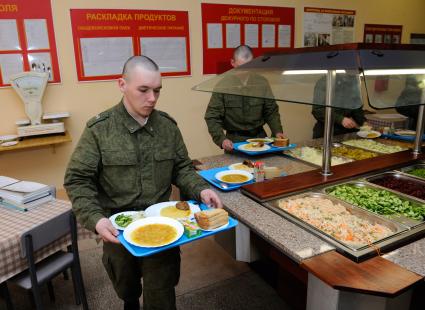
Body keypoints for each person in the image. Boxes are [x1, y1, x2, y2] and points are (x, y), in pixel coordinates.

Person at [64, 55, 222, 310]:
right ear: (122, 84)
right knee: (126, 285)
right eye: (143, 90)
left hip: (163, 224)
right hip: (119, 228)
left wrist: (200, 188)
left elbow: (181, 167)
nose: (152, 98)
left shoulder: (167, 127)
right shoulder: (99, 130)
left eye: (157, 91)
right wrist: (95, 218)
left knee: (161, 291)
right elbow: (77, 179)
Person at [204, 45, 285, 151]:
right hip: (235, 141)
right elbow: (212, 116)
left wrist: (277, 131)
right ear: (232, 63)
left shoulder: (261, 83)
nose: (245, 71)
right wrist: (222, 139)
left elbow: (271, 111)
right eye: (241, 67)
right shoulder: (223, 85)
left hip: (259, 139)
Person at [311, 74, 365, 138]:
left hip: (346, 132)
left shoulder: (353, 81)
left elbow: (356, 104)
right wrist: (341, 119)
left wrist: (362, 122)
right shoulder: (325, 81)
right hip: (326, 131)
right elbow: (317, 110)